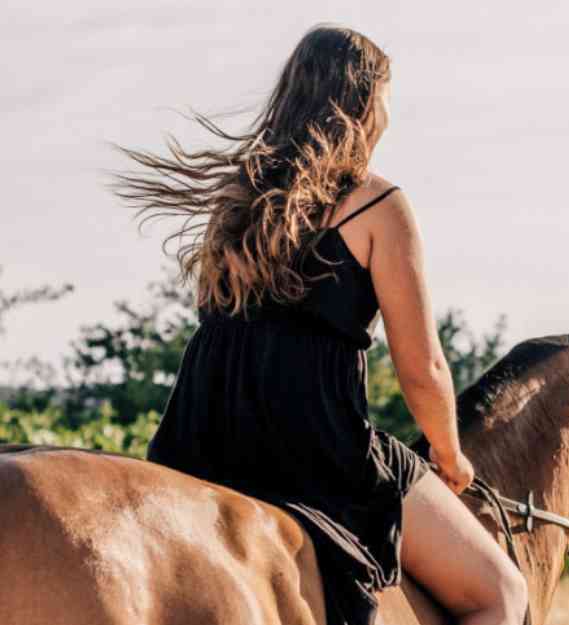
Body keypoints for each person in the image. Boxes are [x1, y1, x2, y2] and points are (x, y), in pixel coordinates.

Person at [109, 23, 528, 625]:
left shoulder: (237, 196)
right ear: (363, 102)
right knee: (500, 594)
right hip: (314, 447)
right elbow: (423, 368)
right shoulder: (377, 204)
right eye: (384, 97)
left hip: (201, 438)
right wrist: (450, 453)